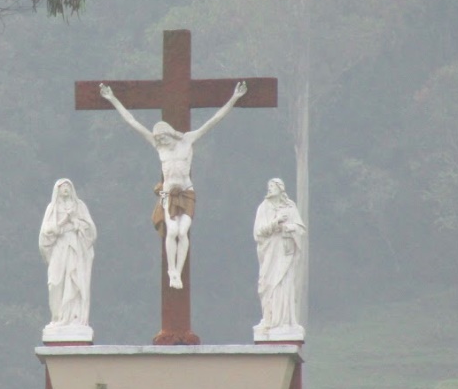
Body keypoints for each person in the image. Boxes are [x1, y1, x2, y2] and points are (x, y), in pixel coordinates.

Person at [100, 80, 247, 289]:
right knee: (171, 232)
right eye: (158, 139)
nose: (161, 141)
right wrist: (113, 99)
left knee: (182, 231)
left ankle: (178, 269)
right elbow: (133, 122)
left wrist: (234, 98)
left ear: (169, 134)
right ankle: (172, 272)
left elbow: (213, 120)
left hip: (187, 193)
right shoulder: (159, 147)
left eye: (163, 138)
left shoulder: (187, 141)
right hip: (167, 195)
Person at [39, 179, 96, 328]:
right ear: (57, 190)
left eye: (68, 186)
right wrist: (65, 220)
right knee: (55, 282)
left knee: (75, 279)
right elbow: (47, 231)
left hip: (75, 246)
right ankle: (58, 317)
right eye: (62, 186)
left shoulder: (79, 206)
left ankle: (74, 317)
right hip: (59, 246)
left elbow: (90, 229)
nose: (65, 189)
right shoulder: (52, 208)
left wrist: (77, 223)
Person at [253, 178, 306, 340]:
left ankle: (285, 321)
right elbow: (258, 232)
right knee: (267, 283)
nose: (269, 189)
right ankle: (270, 319)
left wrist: (290, 227)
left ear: (280, 189)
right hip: (269, 252)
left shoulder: (290, 207)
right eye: (268, 186)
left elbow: (301, 229)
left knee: (284, 283)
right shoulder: (264, 208)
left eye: (272, 186)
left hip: (285, 252)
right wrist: (276, 222)